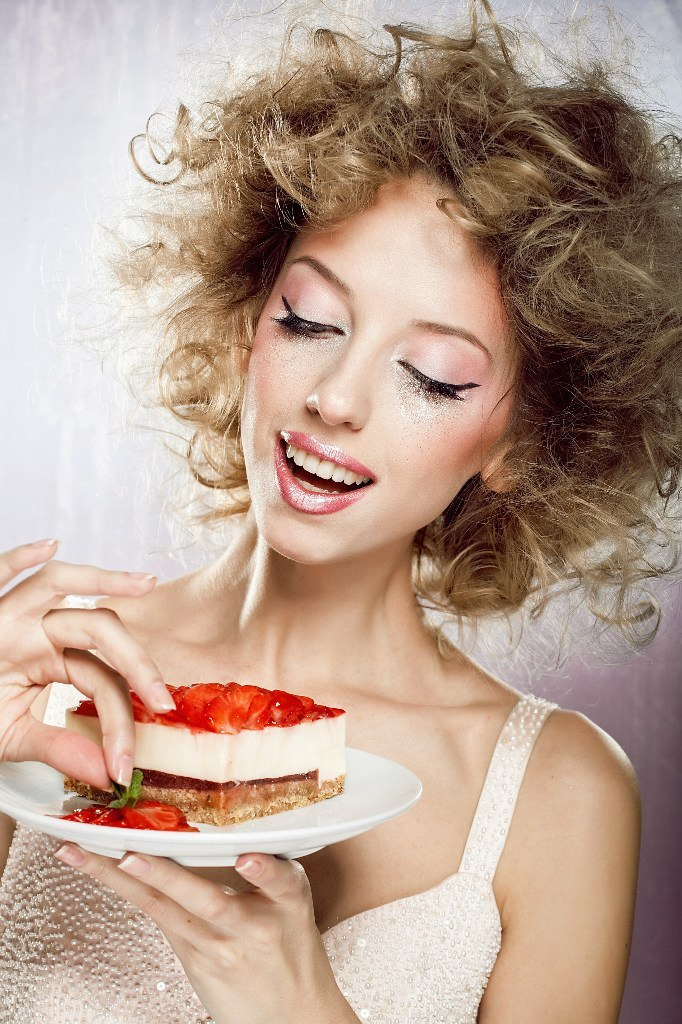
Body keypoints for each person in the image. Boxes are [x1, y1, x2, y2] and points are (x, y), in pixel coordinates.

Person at [0, 4, 680, 1022]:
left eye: (434, 378)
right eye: (310, 320)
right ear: (245, 325)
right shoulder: (48, 690)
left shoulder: (557, 795)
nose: (338, 398)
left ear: (521, 443)